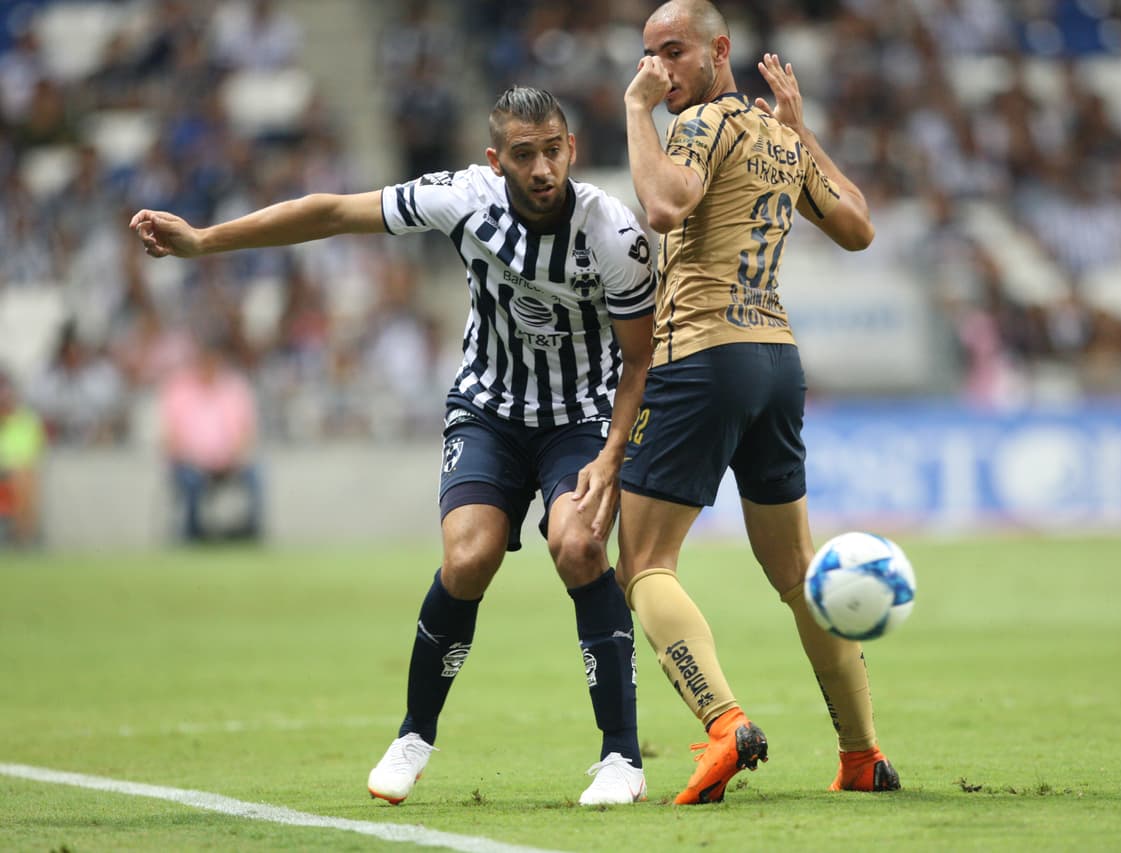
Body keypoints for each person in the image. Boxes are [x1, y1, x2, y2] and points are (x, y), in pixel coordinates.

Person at [129, 87, 655, 806]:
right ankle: (413, 736)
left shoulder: (612, 234)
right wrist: (203, 240)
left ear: (572, 148)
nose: (541, 169)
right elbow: (331, 211)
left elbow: (639, 358)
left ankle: (621, 756)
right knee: (467, 556)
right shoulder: (463, 198)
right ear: (495, 160)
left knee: (580, 547)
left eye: (553, 151)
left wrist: (612, 452)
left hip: (582, 419)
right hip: (490, 410)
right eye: (524, 155)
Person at [617, 0, 899, 804]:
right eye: (647, 57)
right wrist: (800, 126)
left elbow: (666, 205)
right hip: (776, 358)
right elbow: (857, 225)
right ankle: (862, 753)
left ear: (720, 50)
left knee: (642, 562)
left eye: (672, 53)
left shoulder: (697, 126)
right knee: (796, 571)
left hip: (703, 355)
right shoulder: (777, 138)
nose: (656, 70)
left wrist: (638, 112)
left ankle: (722, 722)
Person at [159, 334, 264, 543]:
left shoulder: (234, 387)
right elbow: (171, 436)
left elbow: (247, 431)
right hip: (190, 462)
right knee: (190, 480)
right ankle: (193, 533)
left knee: (256, 474)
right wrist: (196, 459)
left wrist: (230, 456)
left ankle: (251, 530)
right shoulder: (179, 389)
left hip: (229, 462)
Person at [0, 368, 46, 547]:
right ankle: (22, 537)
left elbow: (35, 452)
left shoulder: (27, 420)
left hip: (19, 471)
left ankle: (23, 536)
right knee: (22, 479)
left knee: (25, 480)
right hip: (6, 471)